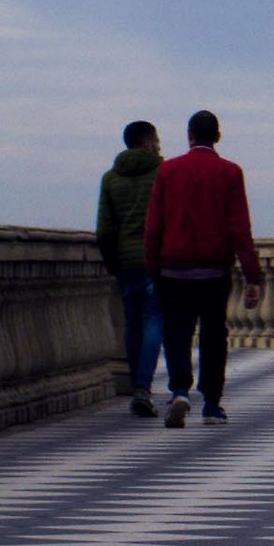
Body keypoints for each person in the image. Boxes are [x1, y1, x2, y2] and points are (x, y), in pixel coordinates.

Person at [143, 109, 263, 428]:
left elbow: (154, 226)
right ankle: (211, 404)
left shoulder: (168, 171)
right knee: (213, 335)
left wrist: (153, 267)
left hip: (173, 269)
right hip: (213, 271)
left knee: (176, 332)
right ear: (217, 137)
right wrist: (253, 276)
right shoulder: (230, 172)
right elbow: (239, 228)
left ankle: (180, 389)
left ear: (189, 136)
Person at [95, 121, 166, 417]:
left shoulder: (111, 178)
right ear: (148, 142)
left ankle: (138, 382)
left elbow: (105, 230)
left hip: (125, 262)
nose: (159, 145)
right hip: (157, 260)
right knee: (154, 320)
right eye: (157, 140)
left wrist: (113, 261)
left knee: (133, 322)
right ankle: (142, 385)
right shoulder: (163, 174)